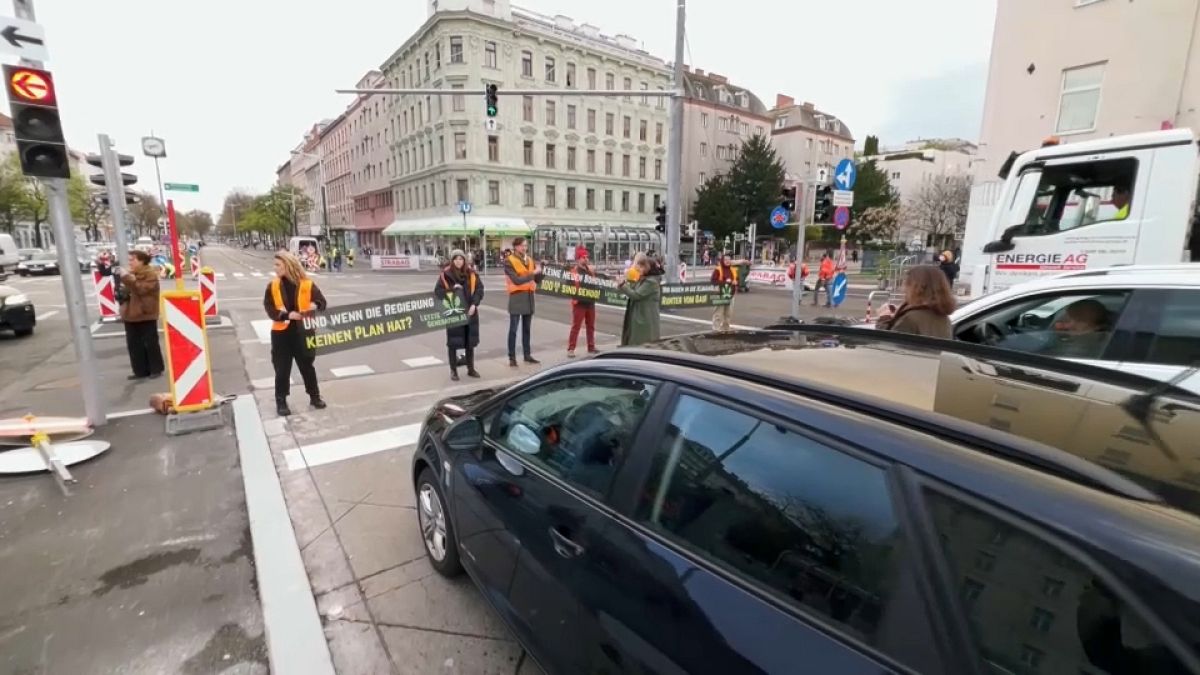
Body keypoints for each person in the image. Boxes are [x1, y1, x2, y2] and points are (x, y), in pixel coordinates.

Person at [264, 251, 328, 416]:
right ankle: (281, 401)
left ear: (288, 265)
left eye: (278, 265)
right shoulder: (273, 286)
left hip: (303, 332)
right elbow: (270, 308)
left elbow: (322, 302)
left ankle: (314, 397)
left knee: (307, 366)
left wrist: (314, 305)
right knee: (282, 369)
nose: (275, 268)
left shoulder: (307, 284)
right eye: (275, 265)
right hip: (281, 334)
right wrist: (286, 315)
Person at [434, 250, 483, 380]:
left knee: (470, 342)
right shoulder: (445, 275)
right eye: (456, 259)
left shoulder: (472, 274)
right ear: (452, 260)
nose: (458, 261)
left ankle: (470, 368)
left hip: (470, 313)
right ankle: (453, 370)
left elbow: (479, 290)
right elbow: (438, 292)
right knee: (453, 343)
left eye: (461, 259)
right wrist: (451, 289)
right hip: (454, 313)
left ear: (464, 260)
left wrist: (474, 304)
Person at [117, 250, 164, 380]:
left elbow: (141, 289)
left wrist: (127, 278)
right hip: (130, 314)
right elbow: (125, 291)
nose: (130, 262)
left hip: (146, 313)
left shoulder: (150, 274)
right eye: (130, 260)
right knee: (133, 344)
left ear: (142, 261)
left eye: (133, 260)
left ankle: (155, 369)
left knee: (150, 342)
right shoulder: (131, 274)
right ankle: (139, 371)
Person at [876, 265, 955, 338]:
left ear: (917, 288)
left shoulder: (910, 319)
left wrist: (884, 318)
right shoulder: (945, 319)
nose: (903, 289)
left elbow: (888, 344)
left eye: (907, 284)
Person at [504, 236, 541, 367]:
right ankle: (512, 357)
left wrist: (542, 272)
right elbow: (517, 280)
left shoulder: (530, 260)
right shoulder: (509, 261)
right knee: (513, 330)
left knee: (527, 329)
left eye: (526, 246)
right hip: (517, 297)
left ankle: (527, 355)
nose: (525, 248)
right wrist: (533, 273)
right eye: (522, 246)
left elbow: (536, 278)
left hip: (529, 297)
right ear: (516, 247)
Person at [619, 253, 662, 346]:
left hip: (645, 318)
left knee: (641, 343)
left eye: (641, 267)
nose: (639, 269)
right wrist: (630, 279)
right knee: (634, 341)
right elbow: (634, 288)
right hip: (639, 315)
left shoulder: (651, 282)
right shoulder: (644, 279)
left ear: (648, 268)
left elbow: (636, 295)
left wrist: (623, 285)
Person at [567, 246, 598, 357]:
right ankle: (571, 348)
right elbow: (568, 287)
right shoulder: (573, 272)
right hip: (579, 303)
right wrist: (577, 296)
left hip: (590, 303)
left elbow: (596, 285)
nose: (586, 259)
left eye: (587, 257)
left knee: (591, 326)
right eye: (583, 257)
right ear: (578, 259)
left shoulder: (590, 272)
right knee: (576, 326)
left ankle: (591, 346)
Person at [710, 252, 739, 331]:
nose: (727, 261)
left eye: (729, 259)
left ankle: (726, 329)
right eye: (725, 259)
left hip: (730, 295)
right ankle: (716, 329)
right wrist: (725, 282)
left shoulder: (733, 269)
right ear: (722, 260)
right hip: (720, 295)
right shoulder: (718, 269)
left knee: (728, 314)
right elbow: (713, 281)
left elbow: (737, 280)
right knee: (718, 313)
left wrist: (736, 282)